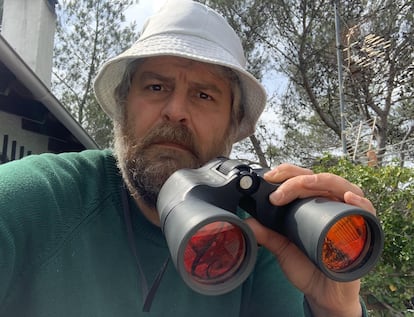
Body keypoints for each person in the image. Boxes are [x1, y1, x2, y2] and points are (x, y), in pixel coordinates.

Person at [0, 1, 375, 316]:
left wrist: (335, 310)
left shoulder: (260, 241)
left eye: (203, 95)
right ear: (123, 107)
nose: (176, 110)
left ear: (233, 124)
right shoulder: (40, 202)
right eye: (156, 86)